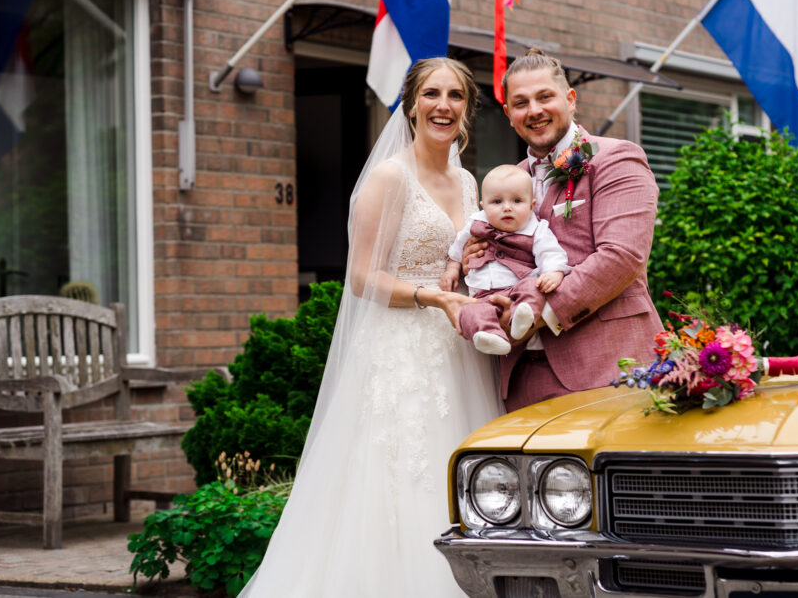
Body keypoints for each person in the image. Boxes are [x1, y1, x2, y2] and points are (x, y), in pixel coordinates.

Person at [239, 57, 502, 596]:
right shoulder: (390, 176)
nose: (443, 106)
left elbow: (459, 257)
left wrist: (472, 268)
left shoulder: (469, 179)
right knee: (401, 481)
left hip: (459, 350)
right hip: (400, 353)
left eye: (455, 96)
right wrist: (432, 296)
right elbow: (361, 278)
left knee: (465, 480)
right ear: (410, 105)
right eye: (432, 94)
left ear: (467, 109)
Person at [467, 48, 663, 412]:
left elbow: (622, 258)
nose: (535, 111)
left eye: (545, 97)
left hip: (609, 367)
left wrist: (537, 314)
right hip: (521, 376)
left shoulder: (616, 158)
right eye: (521, 103)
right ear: (509, 115)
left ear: (570, 100)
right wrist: (474, 257)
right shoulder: (509, 183)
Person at [440, 164, 569, 355]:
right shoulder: (477, 222)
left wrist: (554, 272)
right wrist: (452, 268)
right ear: (483, 207)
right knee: (468, 311)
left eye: (517, 201)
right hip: (482, 294)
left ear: (532, 206)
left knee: (534, 288)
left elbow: (550, 252)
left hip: (517, 288)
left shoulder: (537, 229)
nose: (507, 208)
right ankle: (489, 335)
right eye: (497, 202)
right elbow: (459, 246)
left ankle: (522, 317)